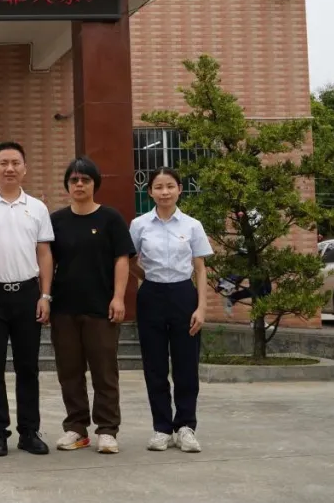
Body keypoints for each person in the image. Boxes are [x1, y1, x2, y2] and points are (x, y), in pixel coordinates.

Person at [0, 141, 54, 457]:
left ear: (25, 168)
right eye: (3, 163)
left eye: (15, 163)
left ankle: (29, 432)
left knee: (27, 367)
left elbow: (44, 253)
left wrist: (45, 295)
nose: (9, 168)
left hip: (27, 294)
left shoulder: (37, 208)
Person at [48, 157, 135, 455]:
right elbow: (47, 261)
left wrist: (119, 297)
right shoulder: (57, 221)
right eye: (74, 180)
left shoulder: (110, 218)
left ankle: (107, 430)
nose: (79, 184)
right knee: (69, 372)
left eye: (85, 179)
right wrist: (45, 297)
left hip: (101, 308)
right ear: (67, 185)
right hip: (64, 309)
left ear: (95, 183)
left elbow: (122, 259)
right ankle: (76, 428)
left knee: (104, 372)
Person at [129, 167, 213, 454]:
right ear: (150, 191)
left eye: (170, 186)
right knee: (154, 366)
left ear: (179, 189)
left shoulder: (192, 225)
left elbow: (200, 269)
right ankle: (162, 428)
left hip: (183, 294)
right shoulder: (139, 225)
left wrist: (201, 307)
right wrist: (147, 278)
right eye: (158, 187)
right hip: (151, 295)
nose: (164, 192)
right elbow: (130, 260)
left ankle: (186, 426)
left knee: (186, 365)